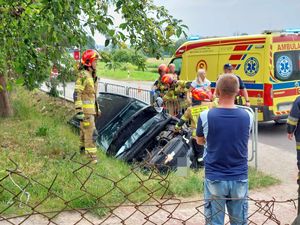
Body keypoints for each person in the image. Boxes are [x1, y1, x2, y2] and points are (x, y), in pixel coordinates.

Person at [196, 74, 253, 224]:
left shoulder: (205, 116)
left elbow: (200, 141)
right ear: (238, 92)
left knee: (214, 222)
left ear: (217, 92)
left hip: (215, 176)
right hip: (239, 176)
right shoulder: (248, 116)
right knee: (239, 221)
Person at [174, 88, 214, 168]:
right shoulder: (209, 105)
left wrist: (176, 129)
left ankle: (187, 171)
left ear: (194, 98)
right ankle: (201, 168)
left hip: (195, 135)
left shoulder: (190, 109)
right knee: (203, 153)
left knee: (191, 152)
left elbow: (181, 121)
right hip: (208, 134)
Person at [74, 49, 101, 164]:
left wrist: (97, 109)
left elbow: (91, 96)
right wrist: (79, 110)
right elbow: (77, 93)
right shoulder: (84, 76)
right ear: (89, 62)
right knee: (91, 134)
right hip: (86, 113)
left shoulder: (90, 75)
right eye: (95, 61)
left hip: (90, 112)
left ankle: (81, 154)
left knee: (84, 133)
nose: (96, 63)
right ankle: (92, 159)